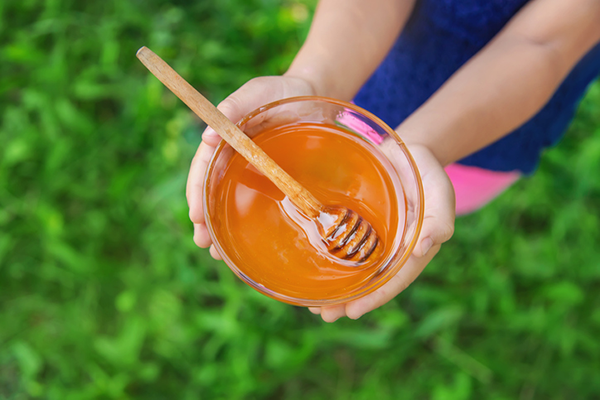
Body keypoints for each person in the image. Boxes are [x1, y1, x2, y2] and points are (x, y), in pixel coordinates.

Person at [186, 0, 600, 322]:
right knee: (382, 182)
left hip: (488, 119)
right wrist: (313, 84)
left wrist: (425, 148)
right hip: (363, 74)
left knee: (440, 195)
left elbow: (544, 44)